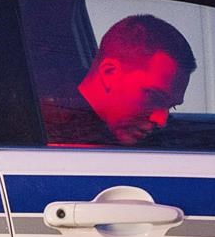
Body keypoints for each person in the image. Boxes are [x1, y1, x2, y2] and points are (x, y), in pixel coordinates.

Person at [40, 14, 197, 146]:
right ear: (109, 73)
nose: (161, 120)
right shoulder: (51, 138)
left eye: (171, 107)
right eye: (154, 97)